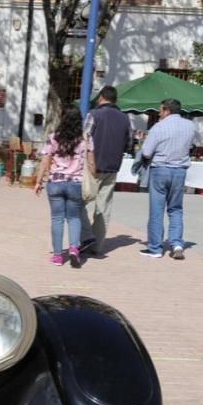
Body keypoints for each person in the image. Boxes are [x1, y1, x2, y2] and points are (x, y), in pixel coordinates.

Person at [33, 107, 94, 268]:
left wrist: (39, 181)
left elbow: (45, 161)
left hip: (55, 183)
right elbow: (92, 162)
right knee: (74, 218)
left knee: (57, 219)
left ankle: (58, 256)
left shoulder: (53, 138)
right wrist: (93, 178)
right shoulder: (85, 139)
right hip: (76, 183)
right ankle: (74, 248)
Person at [138, 98, 196, 260]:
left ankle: (155, 248)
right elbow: (191, 145)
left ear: (167, 110)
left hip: (161, 169)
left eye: (160, 110)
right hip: (180, 170)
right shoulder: (190, 126)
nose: (159, 113)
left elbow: (147, 152)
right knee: (176, 208)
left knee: (157, 210)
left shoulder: (158, 127)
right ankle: (177, 243)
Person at [78, 86, 131, 257]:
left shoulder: (94, 115)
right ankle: (97, 245)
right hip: (113, 167)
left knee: (79, 202)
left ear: (101, 97)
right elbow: (129, 143)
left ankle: (86, 237)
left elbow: (84, 138)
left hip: (92, 166)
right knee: (104, 207)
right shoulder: (125, 118)